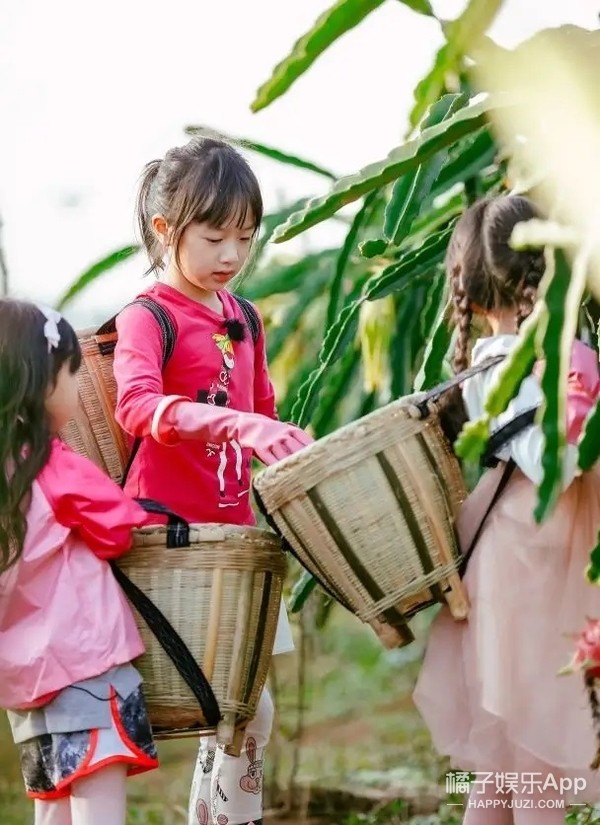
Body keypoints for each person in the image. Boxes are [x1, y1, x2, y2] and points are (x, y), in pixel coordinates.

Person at [113, 135, 312, 825]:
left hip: (234, 542)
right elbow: (135, 406)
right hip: (172, 543)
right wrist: (239, 426)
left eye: (247, 238)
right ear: (166, 230)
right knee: (240, 713)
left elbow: (263, 418)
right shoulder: (149, 316)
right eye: (216, 236)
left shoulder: (245, 319)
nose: (232, 255)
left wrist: (282, 443)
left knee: (241, 716)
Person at [413, 195, 600, 823]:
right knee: (532, 754)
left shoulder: (489, 366)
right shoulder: (518, 369)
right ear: (536, 283)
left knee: (503, 765)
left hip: (518, 563)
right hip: (527, 570)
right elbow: (555, 466)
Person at [0, 299, 158, 825]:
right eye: (74, 373)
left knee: (55, 807)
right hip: (86, 665)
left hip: (25, 684)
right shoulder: (54, 462)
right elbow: (117, 529)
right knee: (98, 803)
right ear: (45, 383)